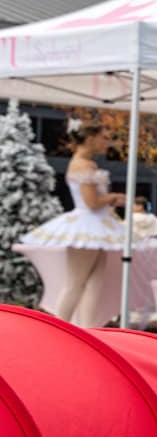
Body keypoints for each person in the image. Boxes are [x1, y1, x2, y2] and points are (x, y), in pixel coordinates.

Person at [20, 121, 126, 325]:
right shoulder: (81, 165)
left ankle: (87, 329)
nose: (107, 143)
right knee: (76, 282)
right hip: (87, 224)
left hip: (96, 224)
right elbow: (91, 202)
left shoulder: (88, 164)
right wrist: (113, 197)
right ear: (90, 138)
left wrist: (110, 199)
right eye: (103, 138)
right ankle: (61, 326)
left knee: (94, 282)